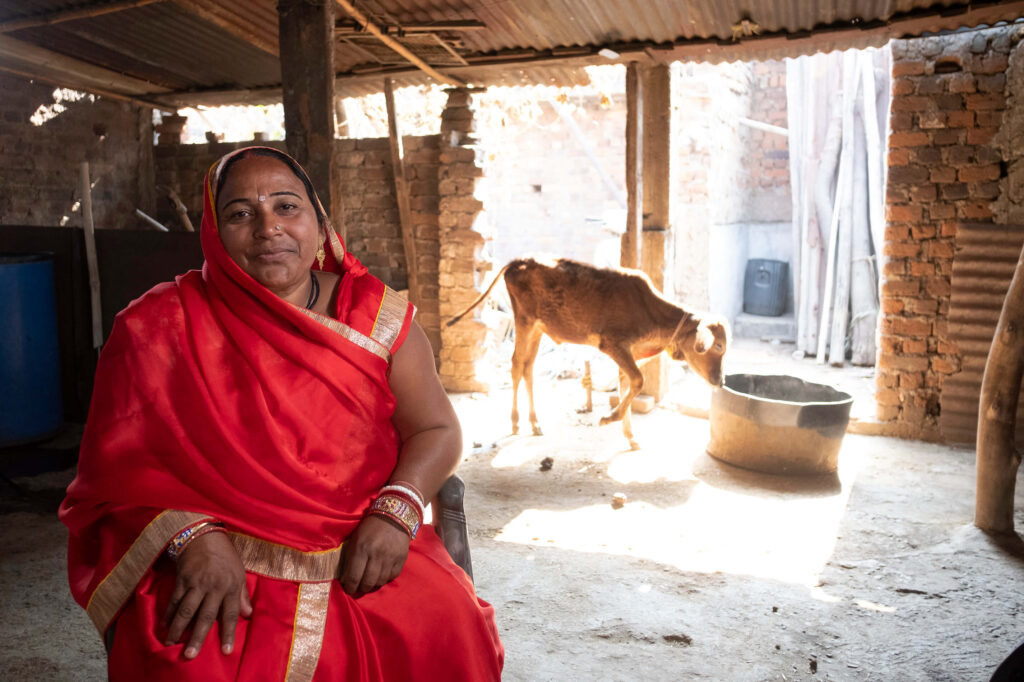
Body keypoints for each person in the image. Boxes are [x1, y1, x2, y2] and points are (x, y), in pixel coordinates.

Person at [59, 146, 504, 681]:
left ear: (320, 224)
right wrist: (190, 536)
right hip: (223, 557)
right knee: (189, 658)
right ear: (214, 233)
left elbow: (436, 427)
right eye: (240, 213)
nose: (268, 228)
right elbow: (117, 470)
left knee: (442, 624)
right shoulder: (157, 326)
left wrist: (397, 511)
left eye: (286, 207)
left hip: (363, 546)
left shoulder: (375, 316)